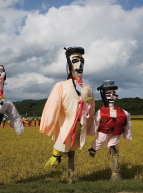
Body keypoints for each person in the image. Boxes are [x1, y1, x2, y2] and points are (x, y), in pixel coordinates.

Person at [40, 46, 95, 183]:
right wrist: (48, 125)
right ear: (68, 65)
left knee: (74, 148)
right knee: (62, 144)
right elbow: (52, 106)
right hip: (66, 124)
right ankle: (56, 156)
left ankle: (71, 175)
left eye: (82, 61)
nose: (80, 64)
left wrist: (89, 125)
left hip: (80, 125)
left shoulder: (87, 88)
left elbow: (92, 108)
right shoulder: (61, 86)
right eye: (75, 60)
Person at [88, 80, 132, 181]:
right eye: (108, 94)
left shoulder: (122, 112)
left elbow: (127, 124)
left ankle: (109, 149)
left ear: (115, 96)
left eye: (113, 94)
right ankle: (94, 149)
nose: (111, 96)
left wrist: (127, 135)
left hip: (115, 132)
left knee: (113, 142)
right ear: (104, 95)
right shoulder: (101, 111)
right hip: (104, 131)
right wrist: (92, 132)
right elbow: (95, 122)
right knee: (100, 140)